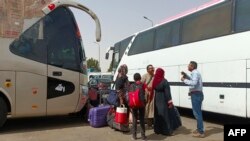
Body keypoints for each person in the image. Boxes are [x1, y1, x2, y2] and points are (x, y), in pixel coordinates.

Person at [181, 61, 205, 138]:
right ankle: (199, 129)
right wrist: (187, 76)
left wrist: (184, 80)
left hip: (196, 95)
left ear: (192, 66)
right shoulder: (195, 73)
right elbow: (193, 80)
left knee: (197, 113)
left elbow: (194, 83)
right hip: (197, 94)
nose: (187, 67)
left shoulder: (195, 73)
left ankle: (201, 132)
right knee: (198, 113)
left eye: (188, 66)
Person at [152, 68, 174, 136]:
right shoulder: (164, 81)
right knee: (165, 115)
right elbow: (167, 93)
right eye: (163, 73)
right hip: (163, 99)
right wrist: (170, 102)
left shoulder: (154, 81)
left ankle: (157, 130)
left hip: (157, 99)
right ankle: (166, 131)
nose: (164, 74)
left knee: (157, 115)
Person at [130, 73, 147, 140]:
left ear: (134, 79)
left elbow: (130, 95)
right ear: (140, 78)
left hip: (134, 104)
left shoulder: (131, 85)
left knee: (134, 119)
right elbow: (147, 93)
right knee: (142, 119)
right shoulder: (143, 85)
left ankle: (134, 136)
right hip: (141, 104)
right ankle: (143, 136)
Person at [141, 64, 154, 128]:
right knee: (148, 109)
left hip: (154, 94)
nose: (152, 69)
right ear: (148, 70)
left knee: (153, 109)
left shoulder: (154, 76)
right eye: (151, 68)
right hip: (147, 95)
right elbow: (141, 85)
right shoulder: (144, 76)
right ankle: (149, 124)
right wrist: (146, 90)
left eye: (152, 68)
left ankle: (152, 123)